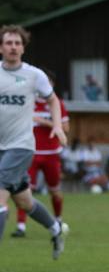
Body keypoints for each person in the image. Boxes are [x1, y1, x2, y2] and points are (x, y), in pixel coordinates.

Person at [0, 25, 69, 259]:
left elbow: (53, 100)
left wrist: (57, 125)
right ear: (1, 47)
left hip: (20, 146)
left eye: (17, 43)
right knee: (24, 201)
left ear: (23, 48)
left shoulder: (34, 75)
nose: (13, 47)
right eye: (8, 43)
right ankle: (55, 228)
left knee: (0, 197)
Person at [12, 71, 70, 238]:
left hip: (51, 154)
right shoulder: (27, 101)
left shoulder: (57, 103)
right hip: (30, 153)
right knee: (24, 190)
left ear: (52, 85)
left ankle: (58, 220)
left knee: (55, 191)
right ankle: (21, 226)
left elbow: (65, 129)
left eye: (47, 82)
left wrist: (45, 122)